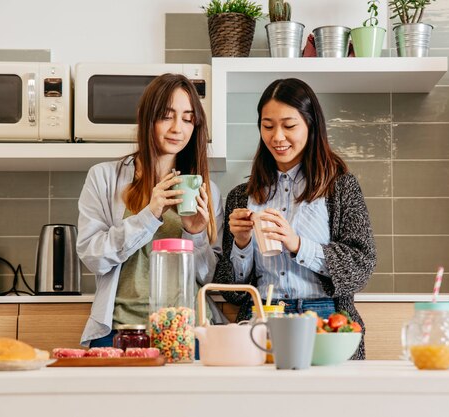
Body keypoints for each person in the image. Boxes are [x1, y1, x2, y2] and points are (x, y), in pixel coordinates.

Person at [213, 78, 376, 359]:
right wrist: (241, 243)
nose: (277, 137)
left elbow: (361, 266)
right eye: (267, 126)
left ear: (311, 125)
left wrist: (298, 244)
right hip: (261, 318)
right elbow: (234, 292)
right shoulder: (242, 196)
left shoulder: (340, 187)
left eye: (289, 126)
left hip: (324, 318)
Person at [77, 73, 223, 347]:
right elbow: (92, 256)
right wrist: (149, 215)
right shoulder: (104, 177)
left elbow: (209, 276)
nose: (177, 128)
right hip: (121, 330)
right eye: (167, 116)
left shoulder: (207, 190)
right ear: (146, 118)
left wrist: (195, 234)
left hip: (186, 331)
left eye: (188, 118)